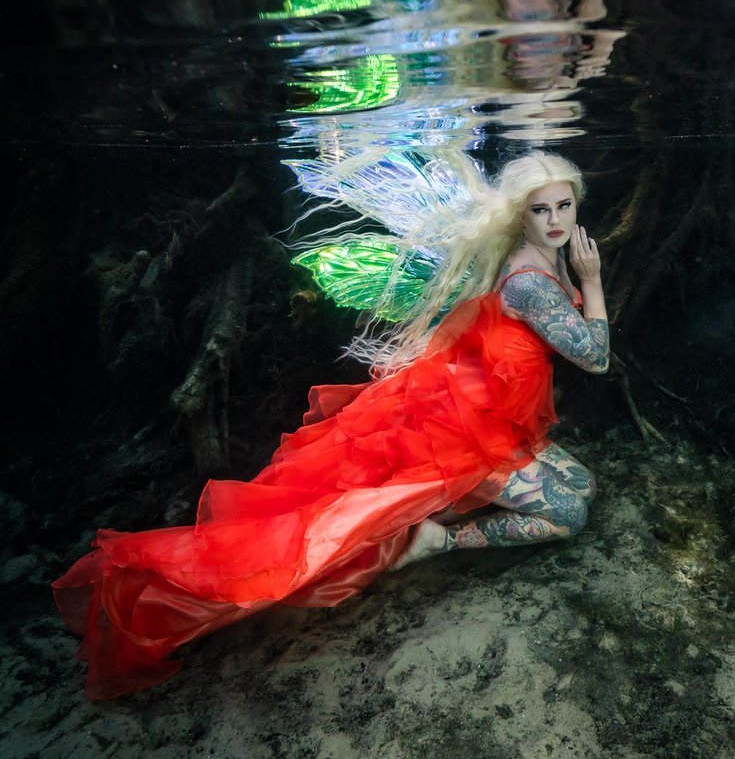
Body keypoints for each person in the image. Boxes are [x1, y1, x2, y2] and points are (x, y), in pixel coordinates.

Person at [53, 153, 609, 700]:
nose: (556, 221)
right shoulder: (534, 281)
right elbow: (595, 358)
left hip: (484, 417)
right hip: (466, 432)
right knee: (570, 514)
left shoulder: (542, 258)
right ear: (522, 216)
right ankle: (435, 540)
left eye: (564, 206)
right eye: (542, 211)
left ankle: (423, 513)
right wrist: (593, 278)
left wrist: (573, 273)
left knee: (584, 484)